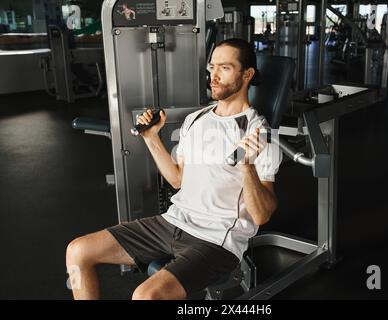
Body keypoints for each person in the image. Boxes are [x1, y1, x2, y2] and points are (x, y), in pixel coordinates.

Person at [66, 38, 282, 300]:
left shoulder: (259, 132)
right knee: (78, 251)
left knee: (145, 296)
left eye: (224, 68)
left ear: (247, 74)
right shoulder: (196, 119)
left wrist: (246, 165)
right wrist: (151, 138)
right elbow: (177, 180)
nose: (213, 76)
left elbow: (261, 216)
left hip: (216, 239)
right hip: (172, 221)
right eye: (212, 67)